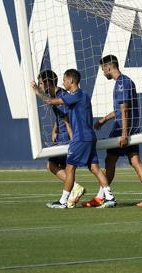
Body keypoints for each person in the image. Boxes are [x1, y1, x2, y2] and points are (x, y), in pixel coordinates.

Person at [31, 69, 116, 209]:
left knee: (70, 169)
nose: (63, 82)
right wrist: (56, 128)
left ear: (71, 80)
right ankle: (110, 197)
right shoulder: (84, 95)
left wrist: (37, 91)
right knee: (95, 168)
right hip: (89, 137)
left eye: (64, 79)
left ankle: (63, 201)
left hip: (80, 138)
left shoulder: (75, 96)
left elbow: (51, 101)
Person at [88, 55, 142, 207]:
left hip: (122, 129)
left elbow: (124, 110)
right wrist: (104, 120)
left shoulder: (121, 83)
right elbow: (120, 110)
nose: (103, 72)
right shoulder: (124, 82)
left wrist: (124, 133)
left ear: (109, 67)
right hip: (128, 127)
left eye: (103, 69)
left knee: (110, 160)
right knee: (133, 160)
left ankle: (102, 196)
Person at [37, 69, 86, 208]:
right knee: (67, 167)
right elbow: (60, 116)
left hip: (66, 138)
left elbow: (67, 118)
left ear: (47, 82)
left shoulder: (61, 96)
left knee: (51, 165)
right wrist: (55, 129)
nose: (40, 86)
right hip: (62, 135)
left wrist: (72, 139)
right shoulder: (56, 95)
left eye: (41, 83)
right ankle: (72, 193)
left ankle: (75, 188)